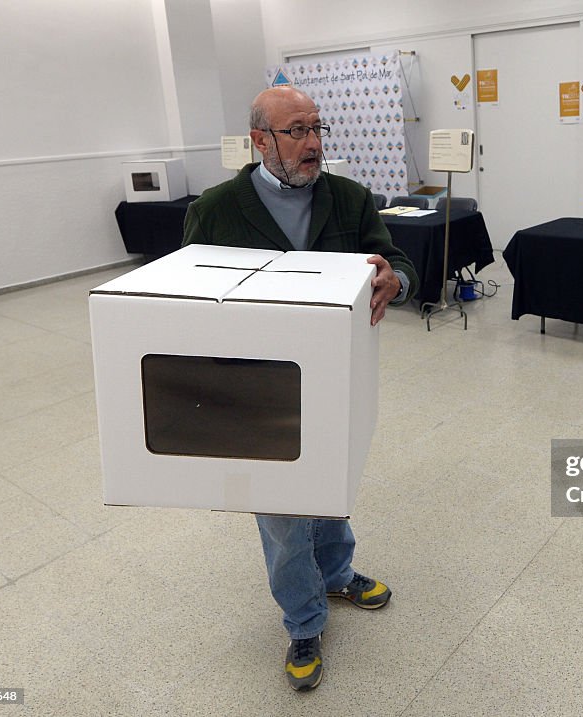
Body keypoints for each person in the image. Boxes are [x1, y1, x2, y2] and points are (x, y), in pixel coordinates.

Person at [182, 85, 419, 691]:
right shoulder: (216, 209)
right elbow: (187, 295)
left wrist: (399, 279)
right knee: (284, 511)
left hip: (336, 375)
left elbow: (392, 262)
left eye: (318, 128)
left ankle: (336, 573)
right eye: (297, 131)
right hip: (257, 390)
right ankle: (304, 619)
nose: (313, 143)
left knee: (331, 484)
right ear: (260, 139)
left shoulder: (349, 198)